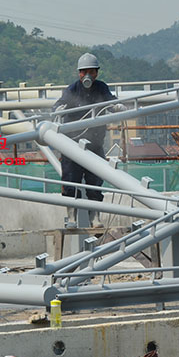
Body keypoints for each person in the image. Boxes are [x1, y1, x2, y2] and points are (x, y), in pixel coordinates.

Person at [52, 53, 119, 227]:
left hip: (94, 145)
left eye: (91, 71)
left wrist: (117, 105)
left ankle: (95, 218)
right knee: (70, 182)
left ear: (97, 73)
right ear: (79, 73)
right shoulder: (72, 90)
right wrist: (59, 109)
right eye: (84, 72)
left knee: (95, 182)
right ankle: (72, 218)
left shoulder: (101, 89)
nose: (87, 75)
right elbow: (59, 104)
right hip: (71, 146)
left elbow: (110, 102)